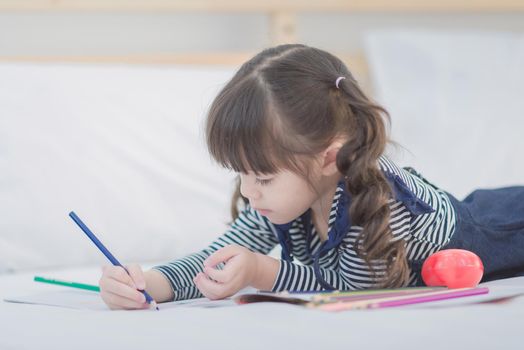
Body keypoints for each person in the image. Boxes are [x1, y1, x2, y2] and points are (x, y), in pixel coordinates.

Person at [98, 44, 524, 310]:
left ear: (328, 160)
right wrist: (150, 284)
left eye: (261, 177)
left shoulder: (373, 200)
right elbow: (221, 255)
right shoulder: (284, 195)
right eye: (241, 174)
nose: (247, 190)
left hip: (501, 226)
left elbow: (349, 291)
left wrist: (262, 273)